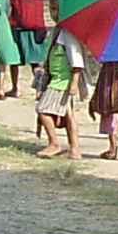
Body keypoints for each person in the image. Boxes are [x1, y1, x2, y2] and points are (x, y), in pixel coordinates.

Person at [32, 25, 85, 158]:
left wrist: (74, 82)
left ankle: (54, 143)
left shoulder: (69, 35)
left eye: (56, 9)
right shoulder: (57, 32)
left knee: (43, 109)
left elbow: (76, 62)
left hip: (62, 82)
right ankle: (74, 150)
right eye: (51, 9)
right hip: (55, 79)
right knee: (69, 116)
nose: (53, 13)